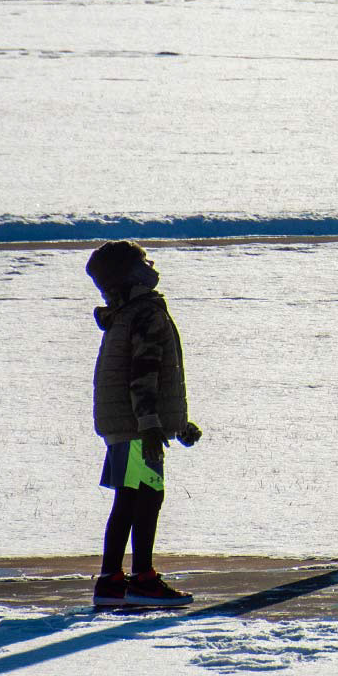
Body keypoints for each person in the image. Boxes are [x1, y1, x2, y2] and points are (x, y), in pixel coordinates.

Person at [86, 240, 202, 606]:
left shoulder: (124, 313)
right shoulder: (145, 313)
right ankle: (142, 579)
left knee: (129, 498)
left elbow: (140, 376)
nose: (152, 265)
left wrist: (177, 423)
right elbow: (144, 373)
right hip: (138, 430)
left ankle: (112, 580)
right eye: (144, 261)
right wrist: (152, 424)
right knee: (147, 497)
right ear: (132, 274)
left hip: (126, 426)